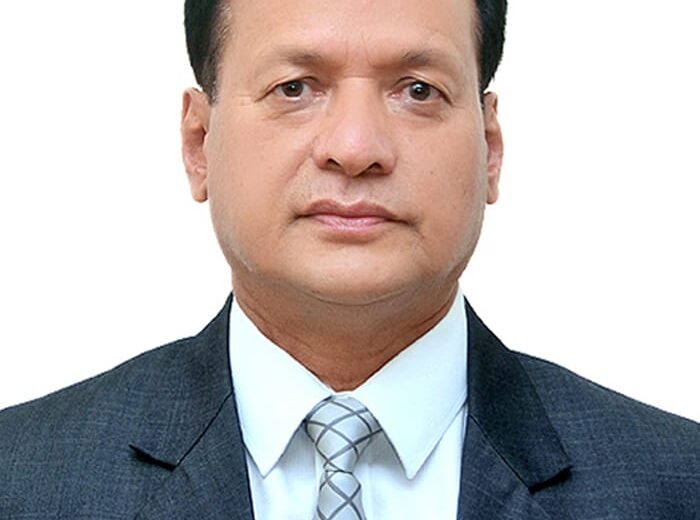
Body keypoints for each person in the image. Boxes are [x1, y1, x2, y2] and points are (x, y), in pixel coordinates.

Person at [0, 0, 698, 518]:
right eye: (295, 87)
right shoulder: (22, 480)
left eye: (418, 90)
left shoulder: (676, 485)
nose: (356, 147)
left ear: (490, 148)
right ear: (198, 142)